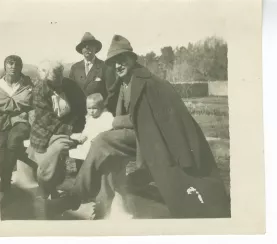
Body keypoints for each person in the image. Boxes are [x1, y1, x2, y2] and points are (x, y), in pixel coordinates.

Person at [55, 35, 231, 219]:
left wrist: (114, 122)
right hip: (138, 135)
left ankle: (75, 198)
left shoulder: (148, 83)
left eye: (121, 60)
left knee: (102, 142)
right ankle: (103, 204)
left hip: (151, 138)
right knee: (104, 148)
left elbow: (146, 119)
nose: (117, 66)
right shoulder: (123, 82)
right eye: (114, 63)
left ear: (132, 59)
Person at [26, 60, 86, 219]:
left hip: (68, 128)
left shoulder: (71, 86)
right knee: (52, 153)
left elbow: (81, 108)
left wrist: (73, 127)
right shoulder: (39, 89)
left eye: (60, 78)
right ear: (46, 78)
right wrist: (66, 129)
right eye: (53, 80)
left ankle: (46, 187)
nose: (57, 83)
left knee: (60, 149)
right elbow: (45, 118)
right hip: (44, 130)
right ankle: (47, 187)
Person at [0, 55, 33, 200]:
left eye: (16, 64)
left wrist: (6, 106)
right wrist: (16, 105)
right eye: (10, 63)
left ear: (21, 67)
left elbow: (26, 102)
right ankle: (2, 180)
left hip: (21, 121)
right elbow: (19, 103)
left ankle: (5, 182)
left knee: (13, 141)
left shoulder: (27, 84)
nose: (13, 66)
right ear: (5, 66)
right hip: (1, 122)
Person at [69, 32, 118, 115]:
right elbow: (70, 92)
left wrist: (102, 110)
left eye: (90, 45)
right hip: (79, 115)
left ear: (96, 48)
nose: (87, 47)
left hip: (98, 114)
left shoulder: (105, 67)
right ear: (81, 50)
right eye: (84, 46)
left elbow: (112, 94)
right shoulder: (75, 68)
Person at [69, 93, 114, 161]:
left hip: (99, 143)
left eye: (94, 108)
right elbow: (87, 129)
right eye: (89, 108)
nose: (91, 111)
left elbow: (109, 129)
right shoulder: (90, 118)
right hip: (88, 141)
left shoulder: (106, 116)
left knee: (89, 153)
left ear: (101, 107)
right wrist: (84, 135)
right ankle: (80, 168)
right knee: (77, 147)